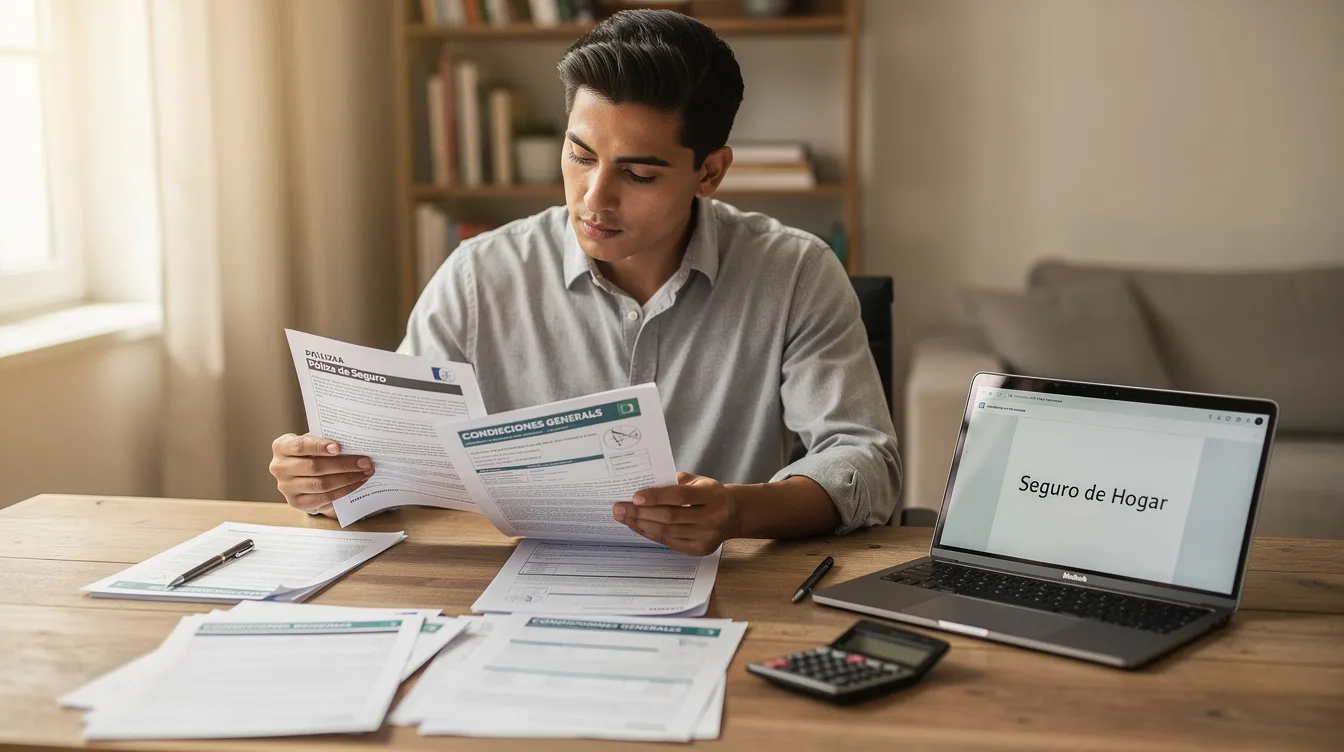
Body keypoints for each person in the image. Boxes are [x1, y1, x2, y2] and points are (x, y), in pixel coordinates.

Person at [269, 9, 900, 555]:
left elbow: (866, 464)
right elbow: (389, 458)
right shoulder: (477, 275)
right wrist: (326, 482)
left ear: (710, 173)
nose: (594, 200)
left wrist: (738, 510)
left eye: (640, 175)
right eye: (580, 156)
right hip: (514, 587)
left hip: (726, 588)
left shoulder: (794, 272)